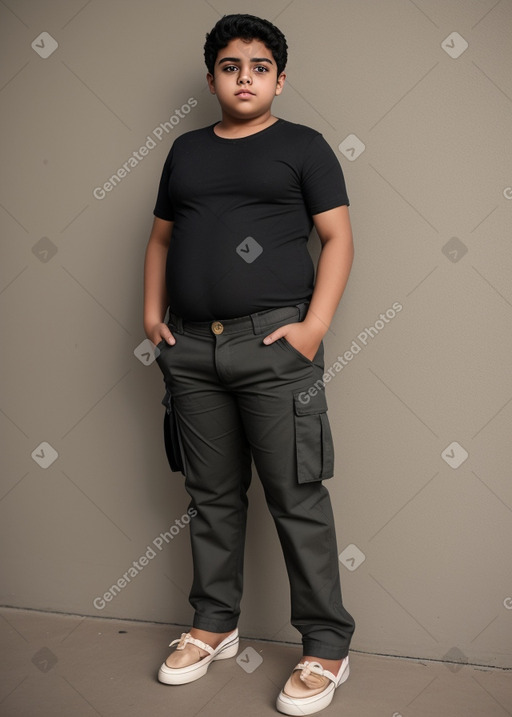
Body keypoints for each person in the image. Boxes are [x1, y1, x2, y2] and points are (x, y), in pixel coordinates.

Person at [143, 13, 355, 715]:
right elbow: (161, 239)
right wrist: (152, 317)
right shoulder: (184, 151)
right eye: (231, 66)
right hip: (192, 348)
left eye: (259, 66)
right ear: (212, 79)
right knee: (210, 497)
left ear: (280, 78)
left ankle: (326, 646)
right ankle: (215, 623)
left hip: (274, 348)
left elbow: (338, 238)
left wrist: (312, 327)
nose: (245, 77)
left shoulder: (304, 148)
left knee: (297, 497)